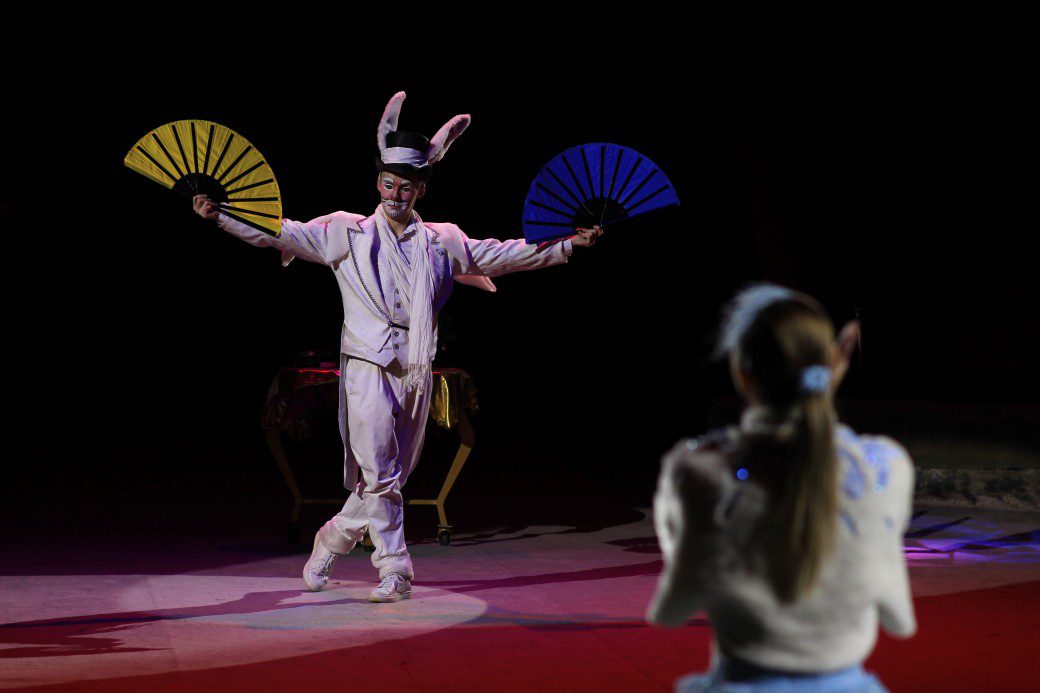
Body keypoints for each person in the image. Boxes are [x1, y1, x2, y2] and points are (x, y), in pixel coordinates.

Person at [192, 92, 603, 603]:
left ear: (420, 190)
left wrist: (566, 244)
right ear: (377, 183)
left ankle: (329, 540)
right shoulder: (344, 232)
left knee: (387, 476)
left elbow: (501, 255)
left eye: (405, 186)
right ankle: (396, 569)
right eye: (388, 183)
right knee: (382, 470)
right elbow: (279, 232)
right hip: (365, 363)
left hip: (415, 367)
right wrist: (220, 217)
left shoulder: (442, 241)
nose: (395, 193)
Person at [647, 284, 915, 691]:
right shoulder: (883, 466)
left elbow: (675, 605)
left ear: (742, 373)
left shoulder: (700, 468)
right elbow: (898, 617)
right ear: (830, 364)